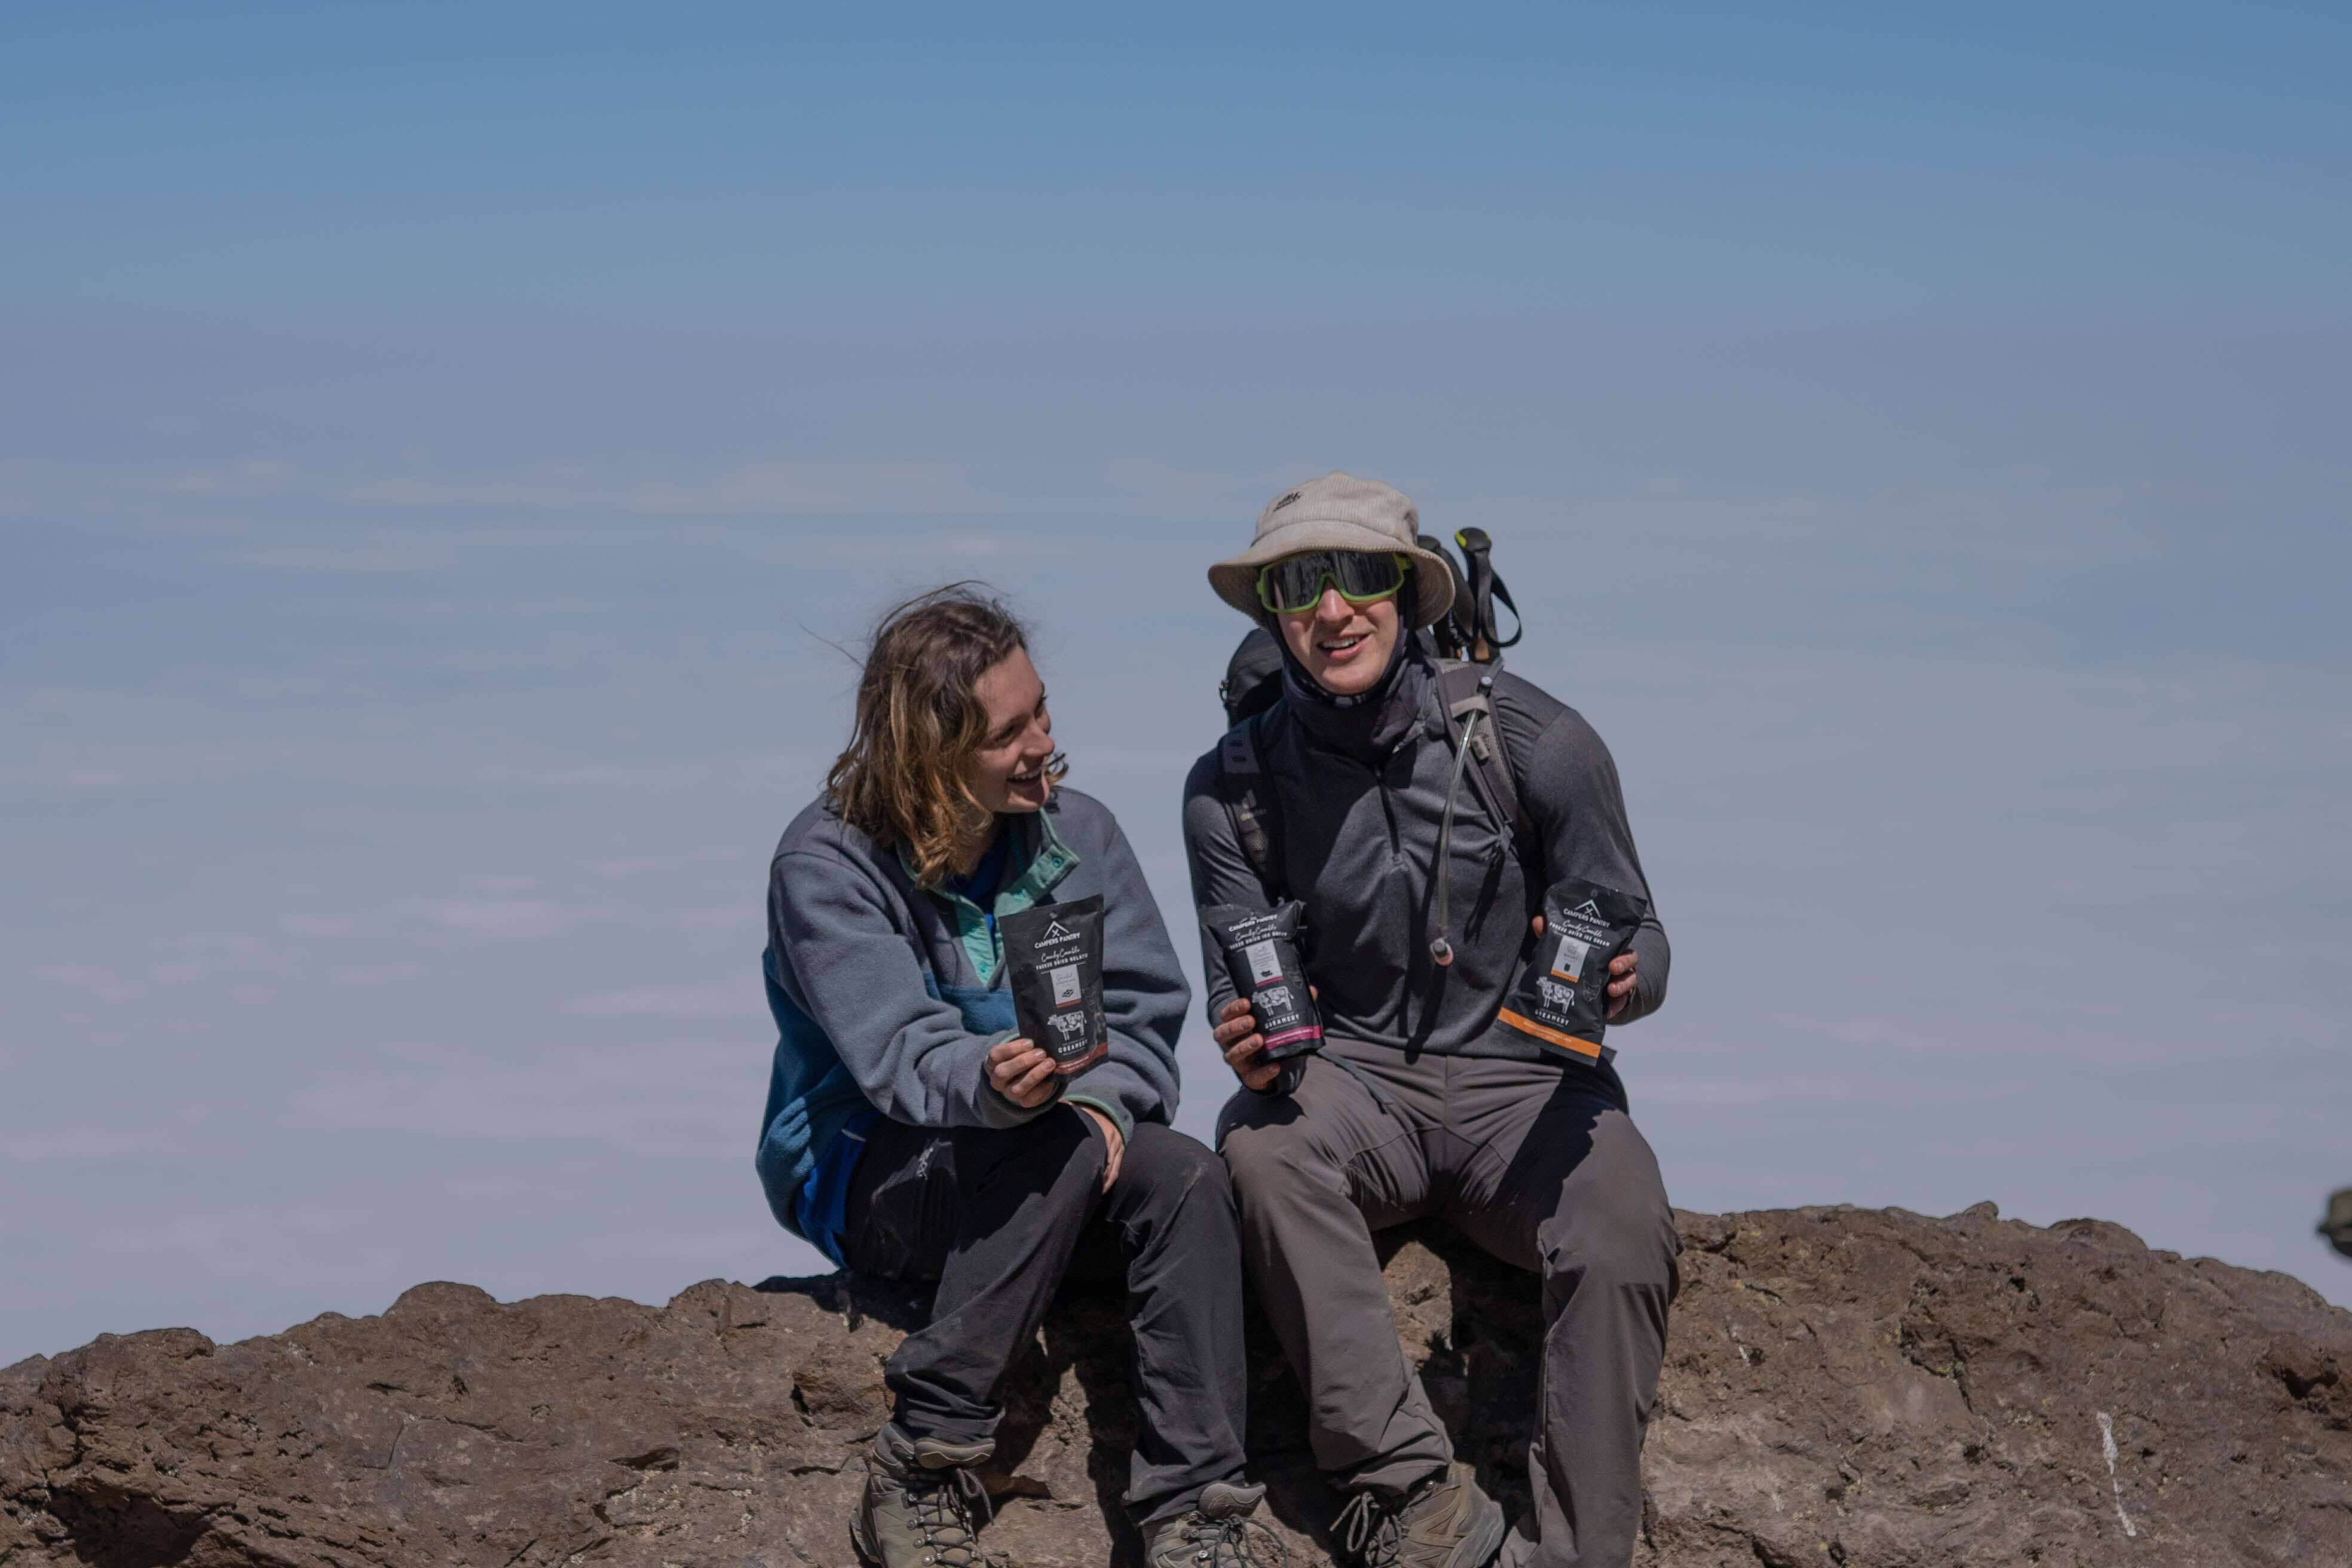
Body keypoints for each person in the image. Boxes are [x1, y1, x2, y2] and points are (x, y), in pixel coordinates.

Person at [1182, 474, 1680, 1568]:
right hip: (1357, 1090)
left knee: (1623, 1216)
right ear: (1270, 610)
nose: (1332, 609)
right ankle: (1416, 1505)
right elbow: (1234, 978)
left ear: (1410, 590)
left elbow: (1644, 937)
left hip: (1533, 1094)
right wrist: (1247, 1042)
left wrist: (1624, 981)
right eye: (1299, 584)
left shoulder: (1540, 741)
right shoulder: (1230, 789)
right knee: (1259, 1148)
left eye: (1361, 576)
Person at [758, 586, 1270, 1568]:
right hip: (873, 1164)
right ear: (929, 753)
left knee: (1187, 1178)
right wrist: (996, 1086)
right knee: (1052, 1142)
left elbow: (1143, 1011)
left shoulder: (1084, 833)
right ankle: (923, 1455)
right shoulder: (826, 864)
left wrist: (1105, 1100)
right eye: (1009, 733)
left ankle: (1197, 1513)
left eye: (1041, 711)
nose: (1044, 743)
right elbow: (899, 1053)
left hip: (1059, 1142)